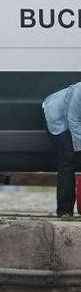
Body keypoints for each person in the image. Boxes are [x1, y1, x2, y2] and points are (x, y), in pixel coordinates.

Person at [43, 82, 81, 217]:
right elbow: (74, 120)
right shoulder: (80, 92)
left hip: (75, 120)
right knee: (68, 159)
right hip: (58, 117)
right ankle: (64, 210)